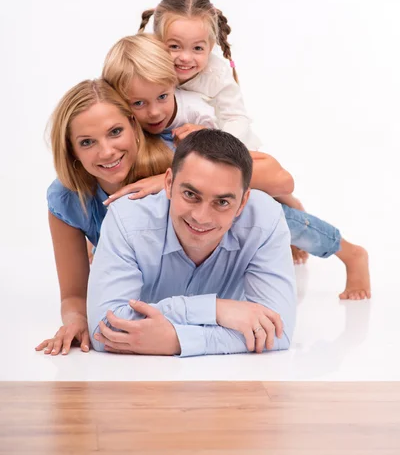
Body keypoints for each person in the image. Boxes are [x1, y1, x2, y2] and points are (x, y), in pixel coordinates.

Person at [102, 32, 371, 301]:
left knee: (284, 219)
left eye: (162, 97)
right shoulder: (121, 136)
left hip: (226, 188)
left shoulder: (194, 114)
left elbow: (229, 169)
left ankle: (349, 253)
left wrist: (163, 178)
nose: (154, 112)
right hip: (187, 211)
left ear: (174, 84)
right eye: (138, 103)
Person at [88, 129, 297, 356]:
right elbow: (104, 331)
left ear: (243, 201)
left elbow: (277, 332)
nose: (201, 217)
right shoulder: (127, 219)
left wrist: (176, 341)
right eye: (190, 195)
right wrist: (215, 309)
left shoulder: (265, 220)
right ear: (168, 183)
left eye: (222, 202)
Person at [35, 79, 172, 356]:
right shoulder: (67, 197)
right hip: (131, 289)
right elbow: (74, 293)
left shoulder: (171, 160)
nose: (107, 151)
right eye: (87, 142)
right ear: (72, 149)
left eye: (115, 132)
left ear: (134, 126)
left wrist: (175, 179)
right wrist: (77, 319)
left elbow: (264, 180)